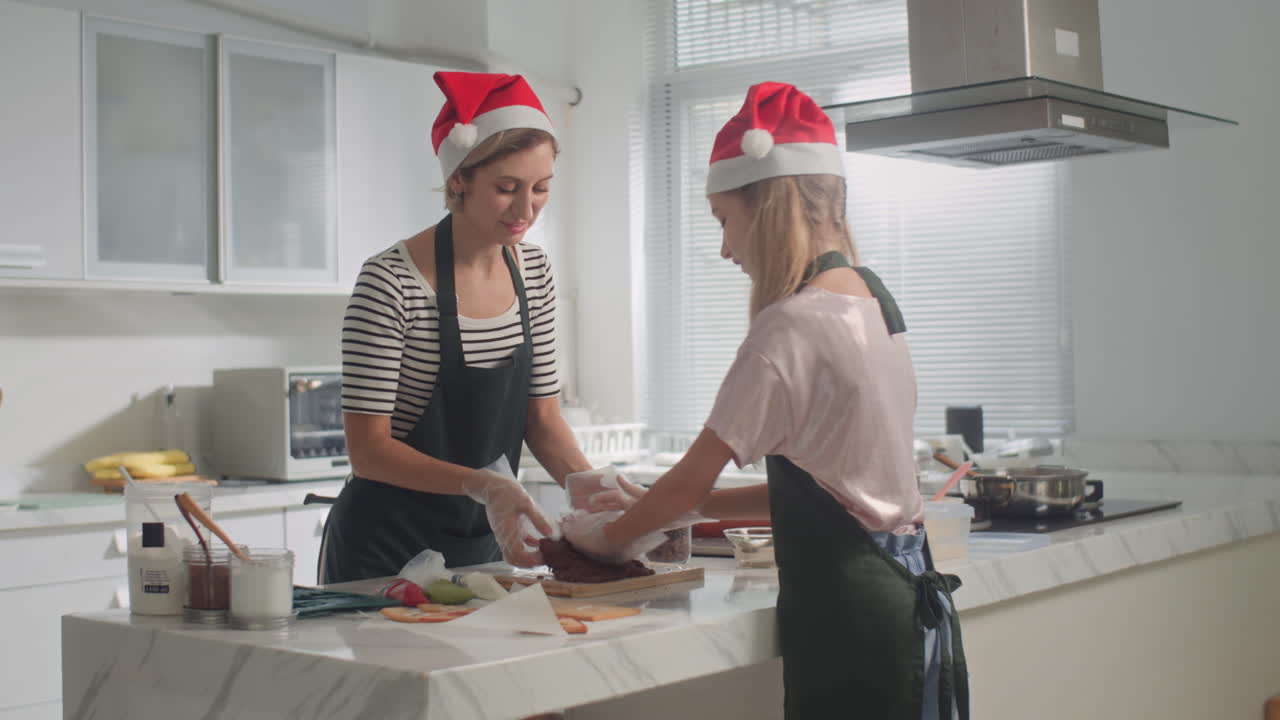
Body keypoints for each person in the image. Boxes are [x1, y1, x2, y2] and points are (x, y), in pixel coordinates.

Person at [562, 82, 969, 719]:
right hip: (906, 608)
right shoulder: (873, 300)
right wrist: (664, 510)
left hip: (851, 624)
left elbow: (691, 477)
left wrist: (605, 540)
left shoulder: (791, 327)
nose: (724, 248)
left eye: (725, 220)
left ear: (770, 207)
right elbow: (833, 492)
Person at [321, 71, 596, 584]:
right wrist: (486, 485)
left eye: (540, 189)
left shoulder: (534, 273)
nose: (525, 209)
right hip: (382, 553)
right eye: (506, 188)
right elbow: (368, 450)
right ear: (458, 181)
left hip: (479, 545)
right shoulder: (392, 282)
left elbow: (542, 421)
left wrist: (596, 494)